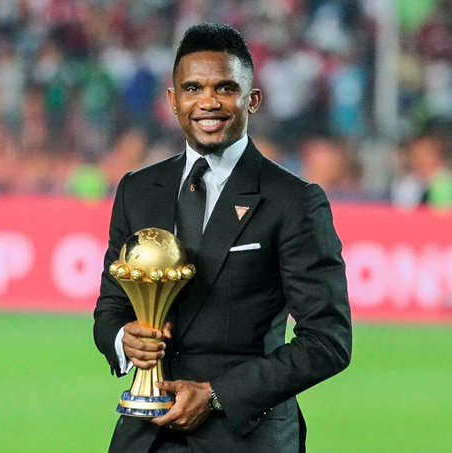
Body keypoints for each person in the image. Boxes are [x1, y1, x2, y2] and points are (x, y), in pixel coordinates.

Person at [93, 22, 352, 452]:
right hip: (145, 435)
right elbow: (111, 307)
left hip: (243, 436)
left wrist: (216, 395)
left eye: (225, 88)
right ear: (173, 101)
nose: (208, 102)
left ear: (253, 99)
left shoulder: (293, 200)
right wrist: (125, 340)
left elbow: (328, 341)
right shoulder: (137, 191)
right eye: (192, 88)